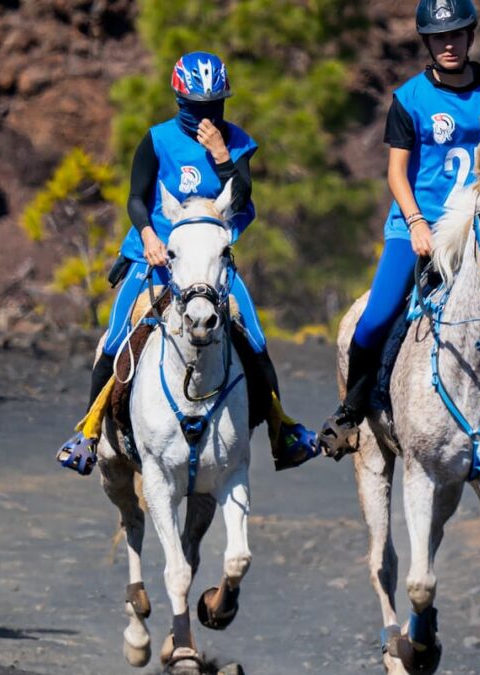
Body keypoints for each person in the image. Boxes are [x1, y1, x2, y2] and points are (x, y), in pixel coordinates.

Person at [319, 0, 480, 467]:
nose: (448, 44)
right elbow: (396, 174)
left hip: (478, 230)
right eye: (438, 37)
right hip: (418, 226)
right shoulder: (409, 99)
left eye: (456, 35)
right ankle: (351, 412)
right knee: (374, 320)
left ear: (470, 38)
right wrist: (415, 224)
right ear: (428, 42)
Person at [56, 52, 320, 475]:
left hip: (210, 265)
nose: (206, 114)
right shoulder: (158, 139)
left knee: (254, 338)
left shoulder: (236, 142)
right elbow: (136, 198)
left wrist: (221, 155)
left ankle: (281, 431)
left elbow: (242, 196)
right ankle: (87, 432)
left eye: (214, 105)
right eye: (197, 107)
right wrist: (147, 237)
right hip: (156, 259)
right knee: (115, 339)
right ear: (180, 101)